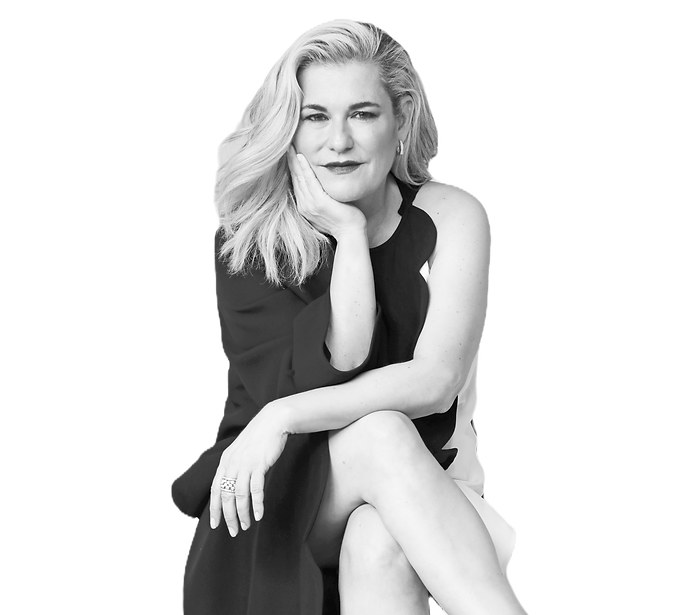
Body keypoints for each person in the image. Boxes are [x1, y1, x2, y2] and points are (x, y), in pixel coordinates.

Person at [169, 17, 529, 615]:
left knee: (377, 536)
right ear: (288, 128)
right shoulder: (249, 239)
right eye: (315, 117)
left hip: (420, 490)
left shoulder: (454, 214)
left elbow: (435, 383)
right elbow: (338, 363)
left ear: (401, 119)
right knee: (383, 430)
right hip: (270, 492)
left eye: (362, 114)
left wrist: (281, 416)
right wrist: (350, 234)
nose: (339, 141)